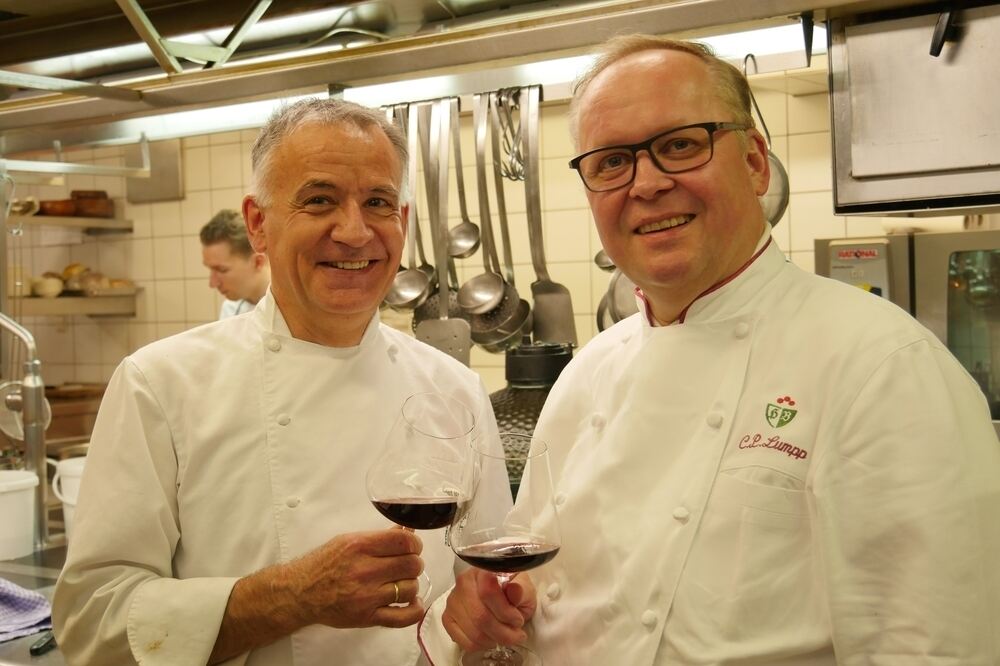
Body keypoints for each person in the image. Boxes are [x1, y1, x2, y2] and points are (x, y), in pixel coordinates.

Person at [422, 35, 1000, 664]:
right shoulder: (588, 371)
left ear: (754, 162)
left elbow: (935, 647)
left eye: (679, 145)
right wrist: (486, 608)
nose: (645, 184)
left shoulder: (882, 368)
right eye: (612, 161)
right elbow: (532, 595)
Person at [52, 98, 507, 666]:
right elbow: (90, 623)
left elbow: (485, 584)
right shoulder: (162, 384)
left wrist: (487, 611)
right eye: (319, 201)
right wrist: (291, 598)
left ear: (404, 223)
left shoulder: (455, 389)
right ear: (258, 224)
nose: (354, 230)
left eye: (378, 202)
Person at [200, 208, 271, 318]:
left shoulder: (296, 308)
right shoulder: (231, 309)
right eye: (211, 269)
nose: (212, 283)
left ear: (258, 262)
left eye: (222, 270)